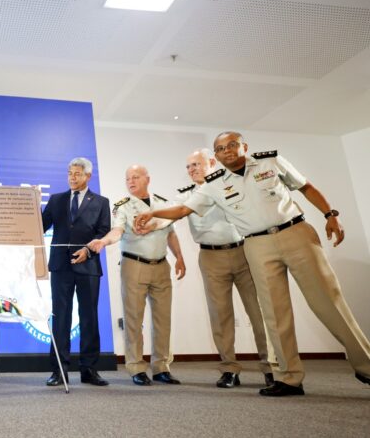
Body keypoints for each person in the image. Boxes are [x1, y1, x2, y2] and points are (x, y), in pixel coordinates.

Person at [135, 131, 370, 396]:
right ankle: (289, 377)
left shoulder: (270, 162)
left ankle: (366, 364)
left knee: (328, 301)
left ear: (244, 147)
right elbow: (181, 210)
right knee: (274, 313)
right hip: (257, 245)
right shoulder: (213, 185)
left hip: (295, 233)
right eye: (221, 148)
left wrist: (330, 214)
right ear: (217, 156)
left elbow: (306, 186)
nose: (227, 151)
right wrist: (152, 213)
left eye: (232, 145)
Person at [178, 149, 273, 388]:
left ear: (211, 162)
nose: (191, 170)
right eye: (188, 166)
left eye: (196, 164)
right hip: (210, 257)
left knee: (259, 312)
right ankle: (229, 369)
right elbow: (172, 215)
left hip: (243, 252)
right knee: (220, 315)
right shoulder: (186, 196)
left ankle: (271, 367)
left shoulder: (230, 183)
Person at [87, 165, 186, 386]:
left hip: (161, 266)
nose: (130, 181)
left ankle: (161, 367)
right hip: (134, 265)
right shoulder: (122, 206)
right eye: (127, 179)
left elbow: (170, 233)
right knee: (133, 319)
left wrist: (179, 256)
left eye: (135, 177)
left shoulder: (162, 203)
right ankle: (136, 367)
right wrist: (104, 241)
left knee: (163, 319)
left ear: (147, 179)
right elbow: (117, 231)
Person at [41, 158, 111, 387]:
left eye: (77, 174)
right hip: (61, 266)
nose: (72, 177)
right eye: (70, 173)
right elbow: (40, 225)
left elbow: (103, 232)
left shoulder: (101, 202)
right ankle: (59, 371)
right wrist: (32, 203)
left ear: (88, 176)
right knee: (60, 318)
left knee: (89, 317)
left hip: (88, 266)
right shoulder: (56, 200)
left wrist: (88, 251)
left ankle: (89, 370)